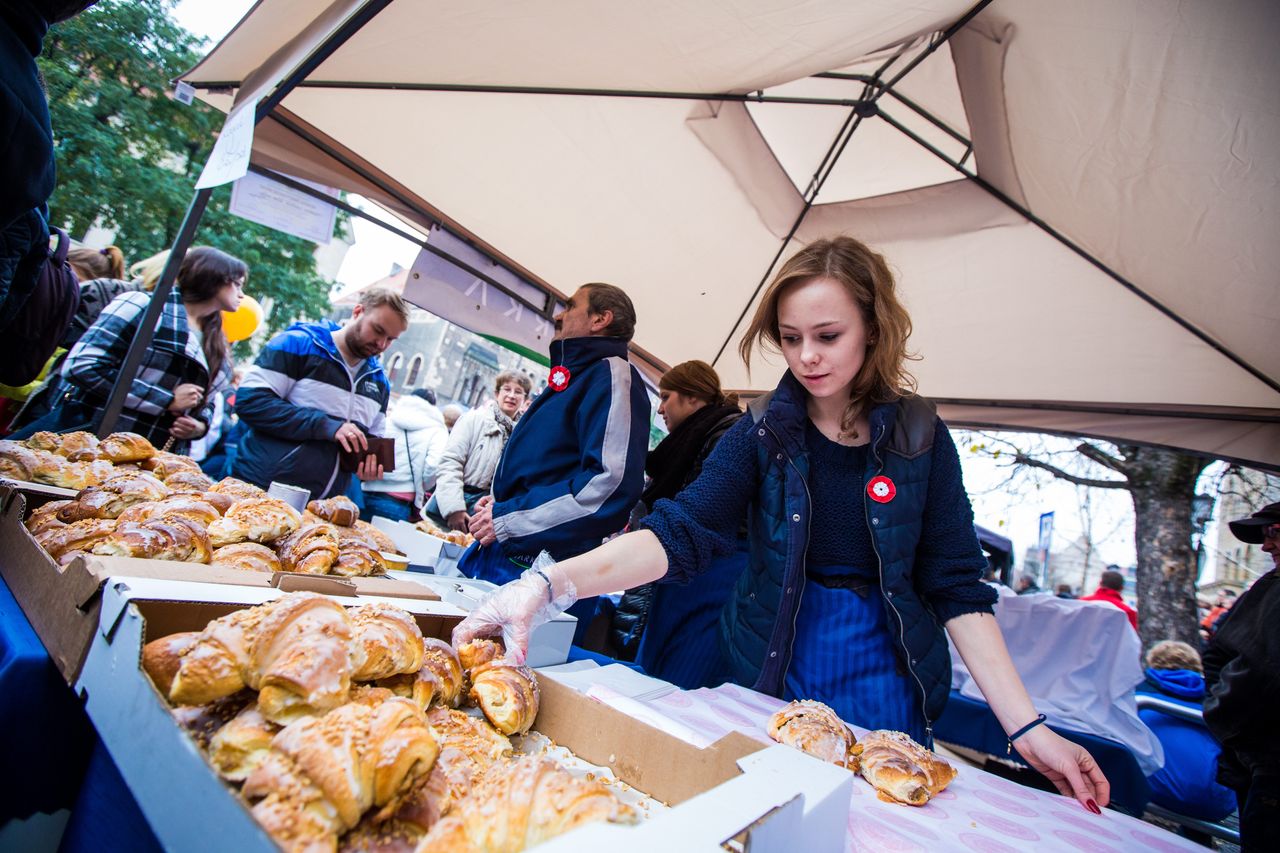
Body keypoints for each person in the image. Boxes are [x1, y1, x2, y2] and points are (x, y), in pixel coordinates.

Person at [455, 236, 1109, 811]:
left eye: (828, 336)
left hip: (887, 687)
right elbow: (678, 531)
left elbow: (957, 587)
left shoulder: (922, 437)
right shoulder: (763, 430)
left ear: (874, 330)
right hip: (774, 673)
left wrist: (1027, 729)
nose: (806, 356)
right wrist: (547, 586)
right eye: (791, 338)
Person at [458, 283, 651, 642]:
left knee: (497, 680)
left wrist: (508, 519)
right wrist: (501, 503)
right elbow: (550, 467)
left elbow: (606, 487)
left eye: (570, 305)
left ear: (600, 319)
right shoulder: (580, 372)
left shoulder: (612, 375)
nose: (559, 314)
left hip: (542, 571)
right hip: (515, 558)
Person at [12, 245, 243, 452]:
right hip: (90, 443)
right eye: (237, 284)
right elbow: (83, 365)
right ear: (213, 278)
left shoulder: (217, 339)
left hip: (151, 457)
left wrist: (199, 425)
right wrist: (165, 399)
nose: (242, 295)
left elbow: (207, 398)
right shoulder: (141, 305)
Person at [615, 361, 745, 686]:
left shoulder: (728, 436)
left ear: (693, 398)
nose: (660, 408)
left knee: (674, 682)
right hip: (683, 574)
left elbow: (704, 515)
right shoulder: (691, 439)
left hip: (709, 578)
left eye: (666, 396)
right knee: (655, 677)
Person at [233, 286, 409, 502]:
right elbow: (250, 402)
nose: (382, 344)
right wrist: (327, 426)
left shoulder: (380, 381)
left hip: (323, 506)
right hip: (261, 490)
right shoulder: (297, 344)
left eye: (391, 339)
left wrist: (367, 464)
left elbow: (373, 438)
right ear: (357, 312)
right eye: (378, 330)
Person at [1204, 502, 1280, 851]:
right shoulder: (1269, 586)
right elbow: (1220, 653)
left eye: (1274, 533)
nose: (1266, 546)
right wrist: (1225, 713)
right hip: (1258, 759)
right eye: (1265, 535)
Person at [1135, 640, 1235, 833]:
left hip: (1151, 787)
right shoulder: (1218, 699)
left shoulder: (1140, 689)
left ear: (1154, 662)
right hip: (1215, 802)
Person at [428, 371, 530, 528]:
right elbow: (450, 462)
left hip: (488, 517)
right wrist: (454, 508)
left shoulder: (522, 435)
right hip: (457, 507)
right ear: (497, 393)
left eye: (518, 392)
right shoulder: (474, 419)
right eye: (507, 389)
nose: (511, 395)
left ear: (525, 399)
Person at [362, 388, 449, 521]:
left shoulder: (389, 418)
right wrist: (420, 486)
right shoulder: (437, 430)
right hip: (399, 501)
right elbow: (433, 467)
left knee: (355, 540)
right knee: (385, 542)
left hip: (366, 494)